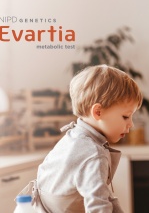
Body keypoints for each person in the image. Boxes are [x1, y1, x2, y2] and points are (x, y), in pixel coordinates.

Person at [18, 65, 142, 212]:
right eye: (126, 116)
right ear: (98, 112)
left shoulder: (74, 137)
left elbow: (105, 196)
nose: (131, 124)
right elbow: (99, 207)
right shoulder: (93, 154)